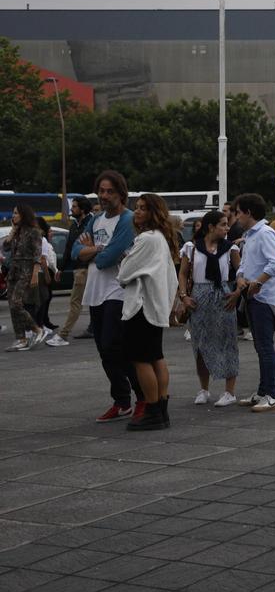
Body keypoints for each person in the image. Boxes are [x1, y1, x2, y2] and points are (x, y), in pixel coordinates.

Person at [72, 171, 143, 422]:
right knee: (104, 350)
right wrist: (97, 249)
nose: (104, 196)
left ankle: (143, 397)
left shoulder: (127, 219)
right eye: (101, 191)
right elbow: (74, 251)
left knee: (115, 345)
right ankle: (121, 402)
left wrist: (92, 250)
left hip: (118, 290)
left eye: (110, 191)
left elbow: (107, 259)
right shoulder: (96, 219)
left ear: (121, 194)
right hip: (96, 291)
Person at [119, 194, 179, 431]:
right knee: (156, 357)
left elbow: (124, 273)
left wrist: (126, 261)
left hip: (141, 306)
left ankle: (152, 409)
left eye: (143, 208)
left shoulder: (146, 239)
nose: (137, 212)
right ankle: (161, 408)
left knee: (141, 359)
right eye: (137, 207)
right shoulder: (161, 238)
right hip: (156, 306)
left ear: (154, 212)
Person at [227, 193, 275, 412]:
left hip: (264, 298)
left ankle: (272, 394)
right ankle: (263, 391)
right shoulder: (250, 235)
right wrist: (241, 277)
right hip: (252, 296)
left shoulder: (265, 233)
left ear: (249, 212)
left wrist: (258, 282)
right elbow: (245, 263)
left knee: (265, 346)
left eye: (238, 212)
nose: (236, 217)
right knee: (260, 346)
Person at [179, 210, 240, 408]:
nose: (227, 228)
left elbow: (240, 272)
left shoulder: (230, 248)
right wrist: (184, 296)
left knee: (228, 342)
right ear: (211, 227)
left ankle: (229, 391)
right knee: (200, 344)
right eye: (223, 224)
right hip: (199, 295)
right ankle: (204, 389)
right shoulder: (191, 247)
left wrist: (237, 291)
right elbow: (183, 273)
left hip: (223, 294)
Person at [3, 204, 46, 352]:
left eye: (16, 213)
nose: (13, 216)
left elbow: (37, 255)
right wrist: (12, 231)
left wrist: (35, 274)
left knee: (16, 303)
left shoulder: (34, 232)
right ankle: (21, 338)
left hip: (26, 271)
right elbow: (5, 247)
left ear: (23, 215)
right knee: (12, 305)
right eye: (13, 213)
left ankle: (37, 329)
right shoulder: (17, 231)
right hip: (14, 271)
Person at [58, 197, 93, 341]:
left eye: (74, 207)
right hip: (77, 268)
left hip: (86, 267)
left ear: (82, 209)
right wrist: (61, 268)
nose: (71, 209)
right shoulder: (74, 226)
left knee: (75, 301)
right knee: (91, 301)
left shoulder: (91, 223)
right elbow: (68, 248)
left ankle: (63, 334)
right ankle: (94, 328)